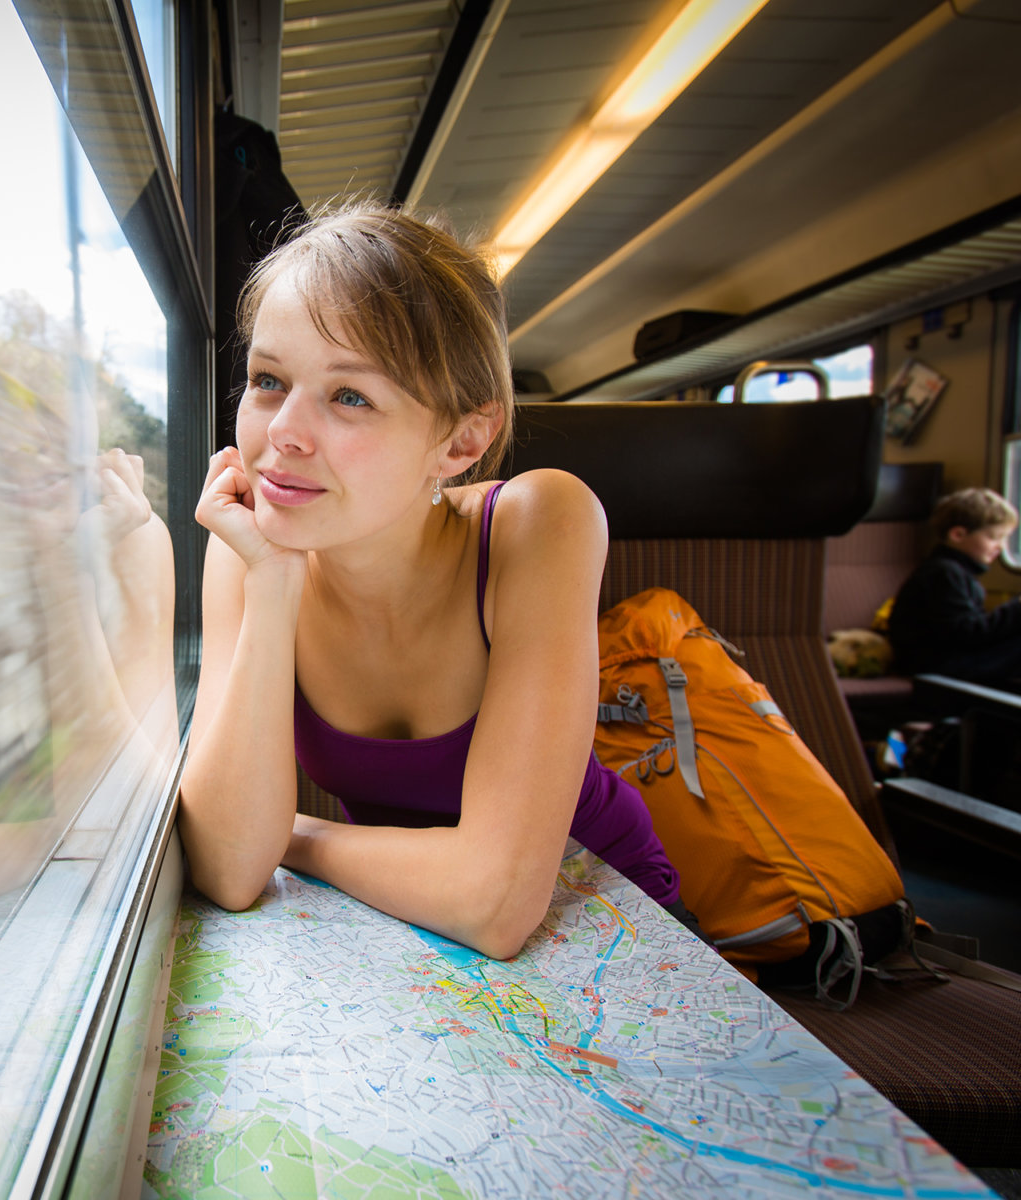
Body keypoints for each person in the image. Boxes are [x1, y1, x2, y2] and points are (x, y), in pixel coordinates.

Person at [179, 204, 686, 961]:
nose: (282, 431)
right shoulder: (247, 552)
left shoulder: (540, 522)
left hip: (599, 918)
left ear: (460, 440)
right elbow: (227, 866)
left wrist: (300, 836)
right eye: (268, 379)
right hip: (407, 924)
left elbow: (494, 904)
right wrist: (274, 583)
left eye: (350, 396)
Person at [888, 487, 1021, 687]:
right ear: (958, 534)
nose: (1001, 546)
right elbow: (966, 634)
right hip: (936, 665)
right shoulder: (943, 574)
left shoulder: (957, 572)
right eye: (994, 537)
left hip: (949, 659)